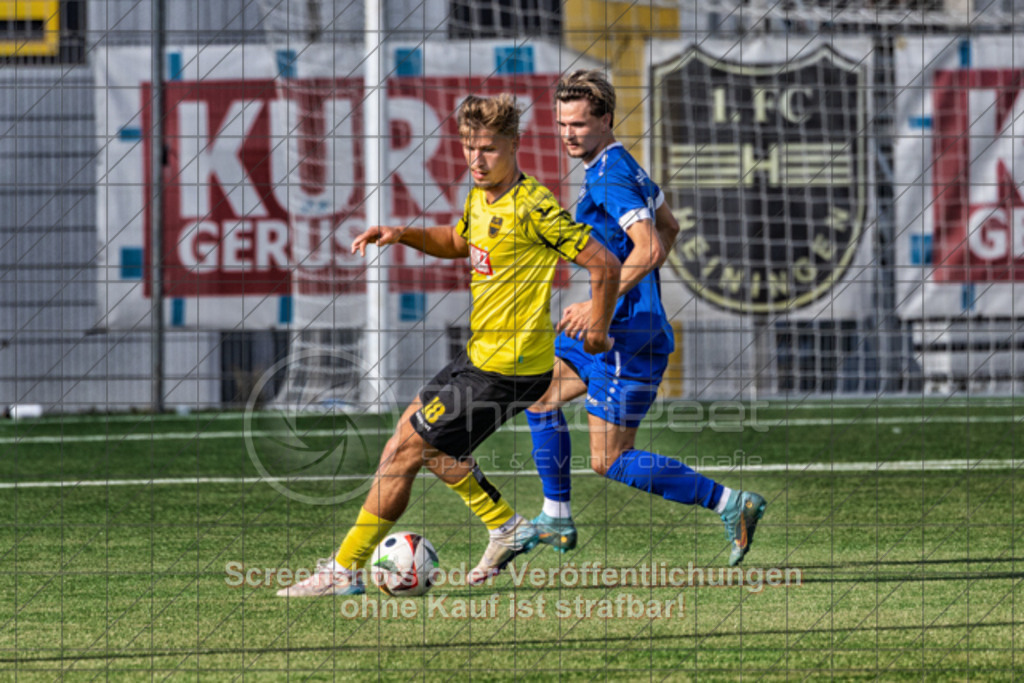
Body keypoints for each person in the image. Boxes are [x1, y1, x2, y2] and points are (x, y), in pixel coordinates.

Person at [278, 93, 621, 596]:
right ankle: (506, 526)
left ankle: (343, 571)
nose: (477, 160)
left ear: (514, 145)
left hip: (510, 369)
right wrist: (402, 234)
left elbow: (605, 264)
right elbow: (461, 240)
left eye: (488, 149)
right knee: (423, 444)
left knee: (403, 450)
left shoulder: (534, 205)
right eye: (468, 147)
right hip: (479, 357)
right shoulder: (480, 196)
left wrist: (597, 322)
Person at [525, 70, 766, 567]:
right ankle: (556, 516)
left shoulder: (611, 176)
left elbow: (651, 245)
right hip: (612, 328)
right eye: (562, 123)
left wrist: (602, 304)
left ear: (606, 118)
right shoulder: (618, 164)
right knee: (538, 395)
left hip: (625, 339)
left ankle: (730, 503)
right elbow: (670, 225)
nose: (568, 133)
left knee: (609, 460)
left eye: (579, 124)